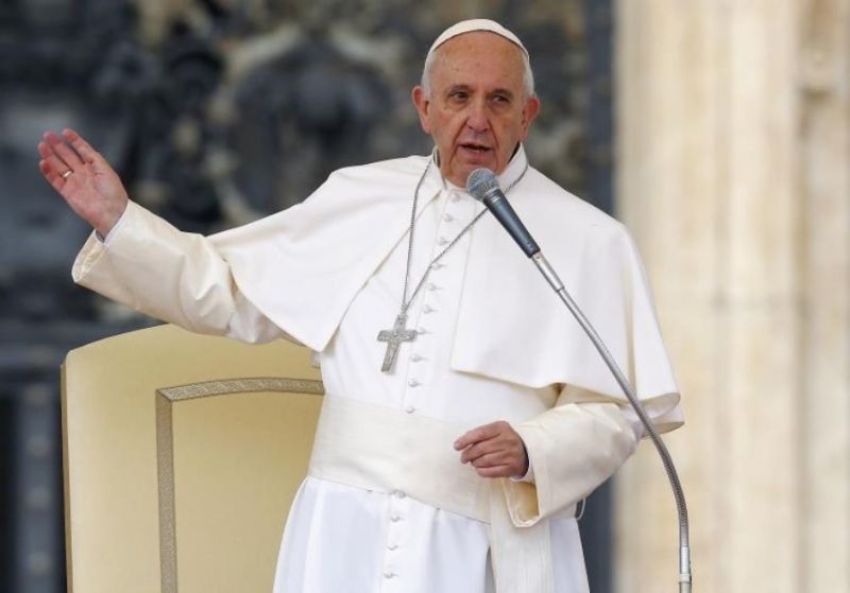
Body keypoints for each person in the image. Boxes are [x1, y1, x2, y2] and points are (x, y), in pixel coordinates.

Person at [39, 19, 682, 593]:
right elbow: (229, 291)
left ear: (530, 114)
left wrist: (537, 448)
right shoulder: (359, 197)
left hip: (484, 545)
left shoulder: (586, 239)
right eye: (459, 97)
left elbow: (619, 408)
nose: (478, 119)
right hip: (342, 532)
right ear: (424, 107)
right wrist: (122, 222)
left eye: (499, 100)